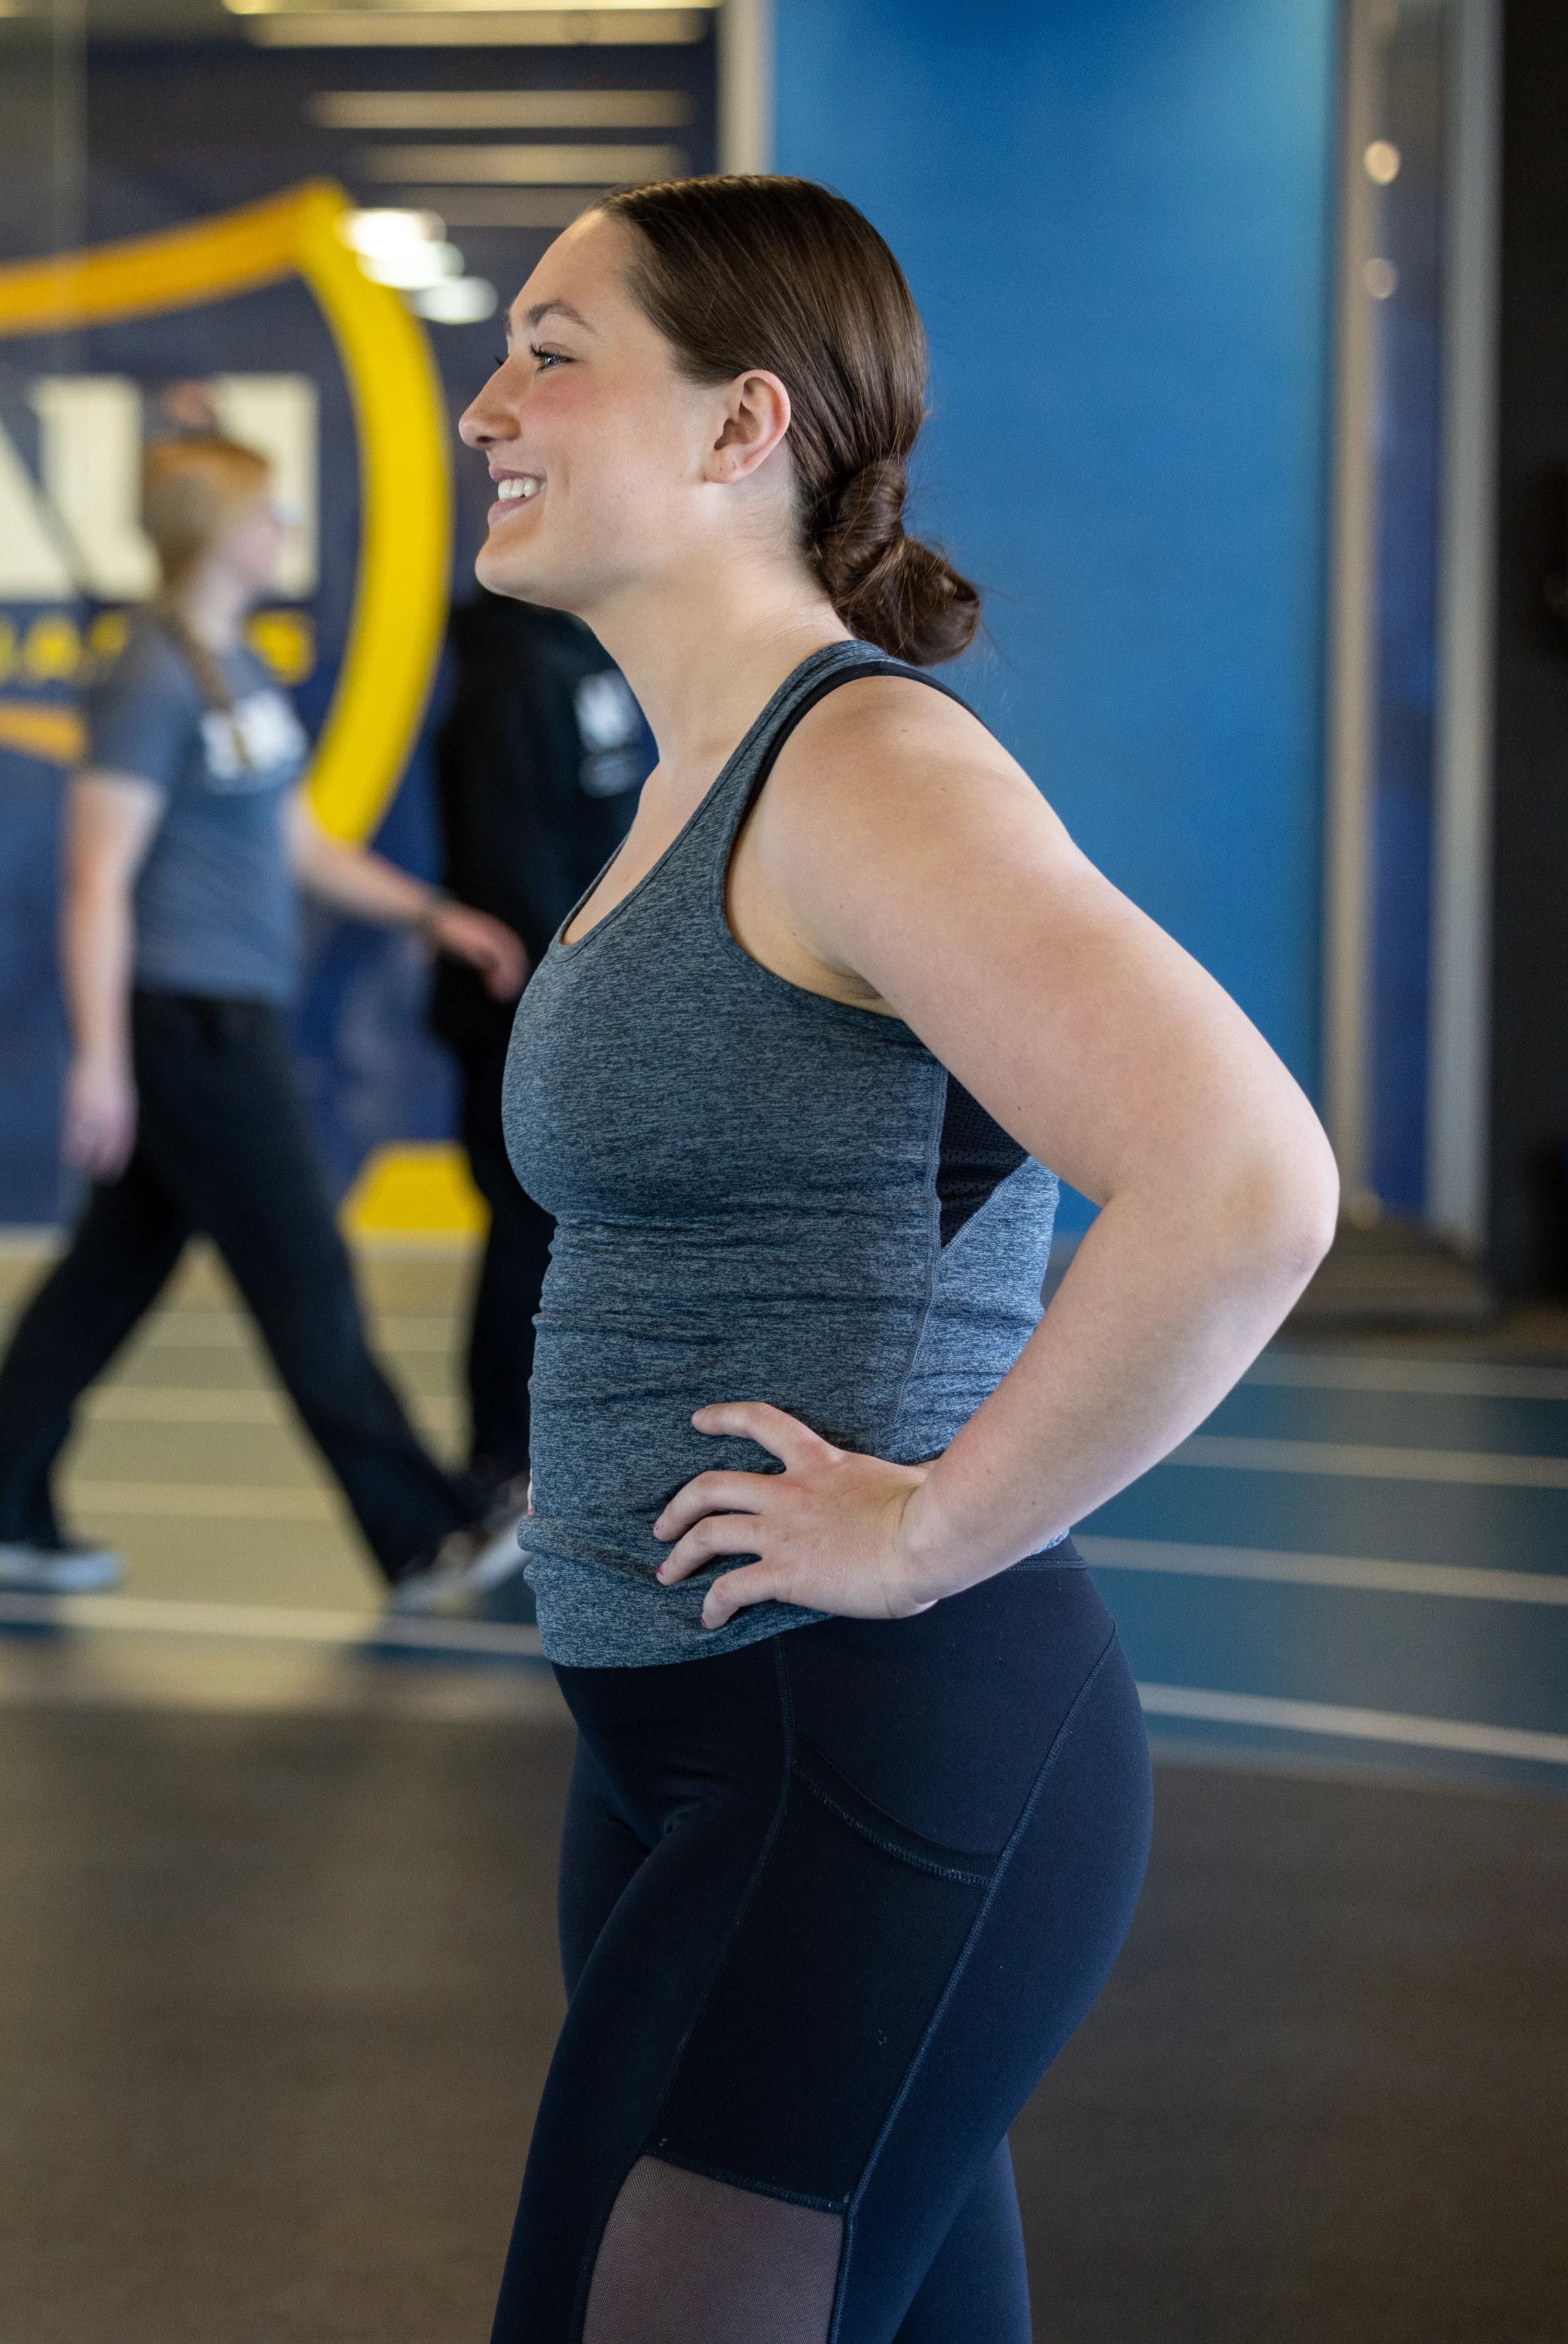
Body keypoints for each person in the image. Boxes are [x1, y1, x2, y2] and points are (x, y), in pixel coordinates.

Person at [459, 178, 1335, 2341]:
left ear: (744, 423)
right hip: (680, 1738)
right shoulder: (692, 788)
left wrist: (934, 1526)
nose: (491, 401)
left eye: (554, 347)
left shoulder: (866, 770)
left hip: (860, 1739)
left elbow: (1244, 1179)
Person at [0, 431, 532, 1608]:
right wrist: (102, 1063)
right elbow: (94, 880)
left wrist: (433, 916)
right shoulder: (150, 677)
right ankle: (422, 1533)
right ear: (220, 535)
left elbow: (299, 843)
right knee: (303, 1272)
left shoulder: (236, 669)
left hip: (222, 1016)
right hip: (187, 1024)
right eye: (270, 519)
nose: (284, 540)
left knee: (105, 1276)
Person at [404, 590, 648, 1610]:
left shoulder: (599, 657)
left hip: (597, 990)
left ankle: (577, 1447)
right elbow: (510, 867)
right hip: (530, 1007)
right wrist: (580, 987)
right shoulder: (512, 679)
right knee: (525, 1225)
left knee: (575, 1232)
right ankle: (506, 1460)